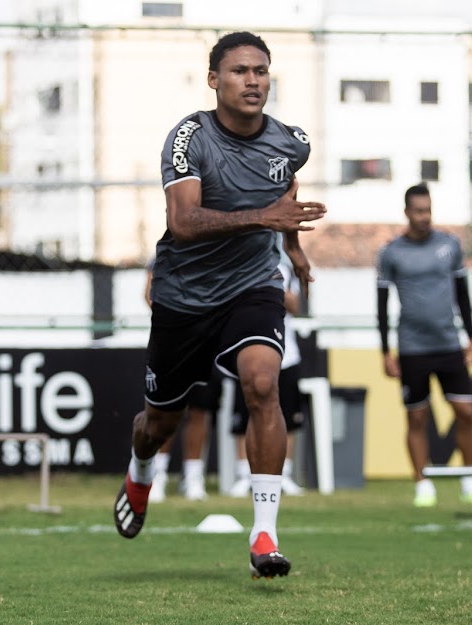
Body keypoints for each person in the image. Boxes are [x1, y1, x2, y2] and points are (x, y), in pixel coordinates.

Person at [113, 31, 326, 582]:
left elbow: (284, 189)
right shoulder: (189, 138)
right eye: (238, 71)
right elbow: (183, 224)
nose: (252, 81)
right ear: (214, 80)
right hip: (184, 297)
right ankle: (140, 472)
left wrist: (294, 248)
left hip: (253, 285)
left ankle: (265, 534)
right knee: (158, 422)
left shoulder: (291, 141)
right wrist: (265, 220)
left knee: (262, 381)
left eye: (260, 70)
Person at [375, 182, 472, 509]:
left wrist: (471, 337)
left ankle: (471, 480)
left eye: (428, 210)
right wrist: (386, 351)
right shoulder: (391, 253)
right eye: (418, 211)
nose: (425, 217)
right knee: (416, 418)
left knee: (465, 411)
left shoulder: (449, 246)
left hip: (448, 345)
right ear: (407, 213)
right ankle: (422, 483)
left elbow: (463, 295)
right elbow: (381, 305)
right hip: (411, 348)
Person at [229, 250, 307, 498]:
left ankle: (284, 474)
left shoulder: (285, 266)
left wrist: (270, 289)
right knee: (244, 417)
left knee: (287, 418)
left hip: (287, 355)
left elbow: (296, 305)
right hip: (248, 354)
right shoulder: (238, 264)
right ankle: (244, 476)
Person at [143, 258, 212, 503]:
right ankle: (157, 476)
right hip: (171, 344)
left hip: (204, 343)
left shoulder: (215, 251)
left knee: (199, 410)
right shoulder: (166, 252)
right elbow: (150, 294)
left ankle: (193, 477)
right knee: (166, 410)